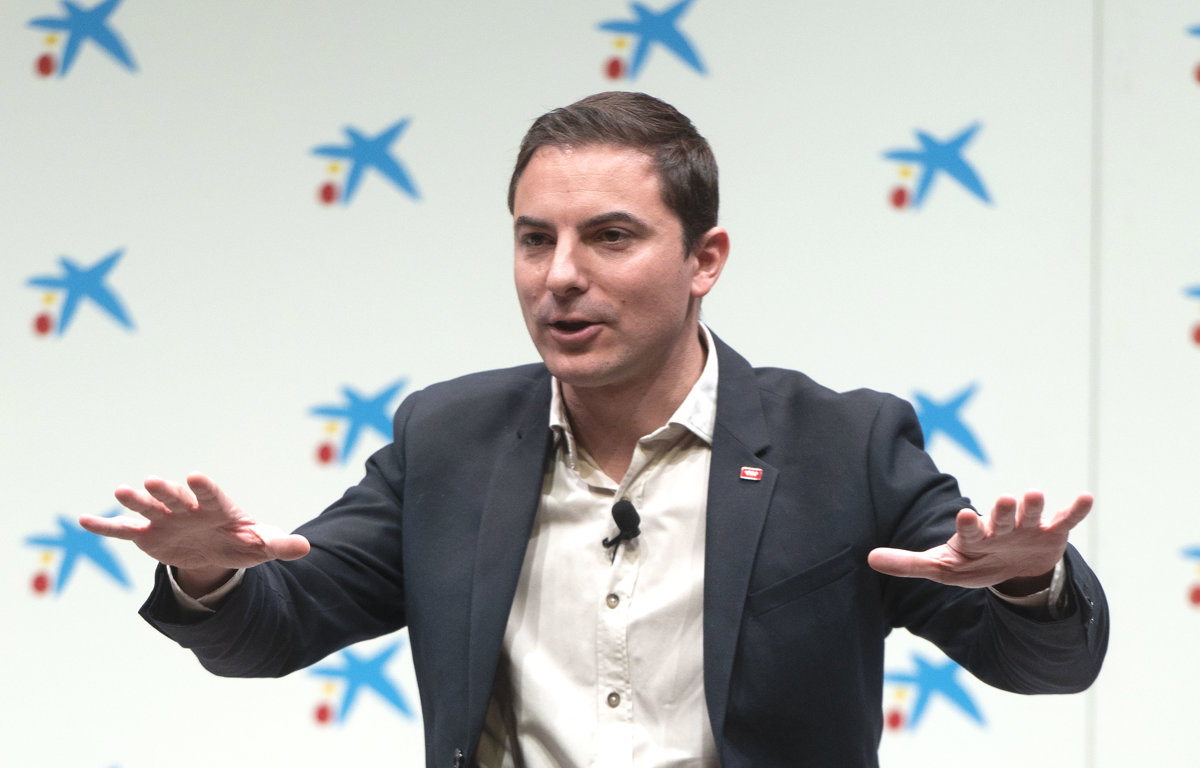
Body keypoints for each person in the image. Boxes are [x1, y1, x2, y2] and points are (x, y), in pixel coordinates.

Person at [81, 92, 1108, 768]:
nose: (561, 275)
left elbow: (1045, 664)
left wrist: (1029, 584)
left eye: (610, 237)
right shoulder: (448, 441)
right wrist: (206, 575)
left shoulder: (845, 447)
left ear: (704, 260)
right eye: (536, 240)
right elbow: (273, 628)